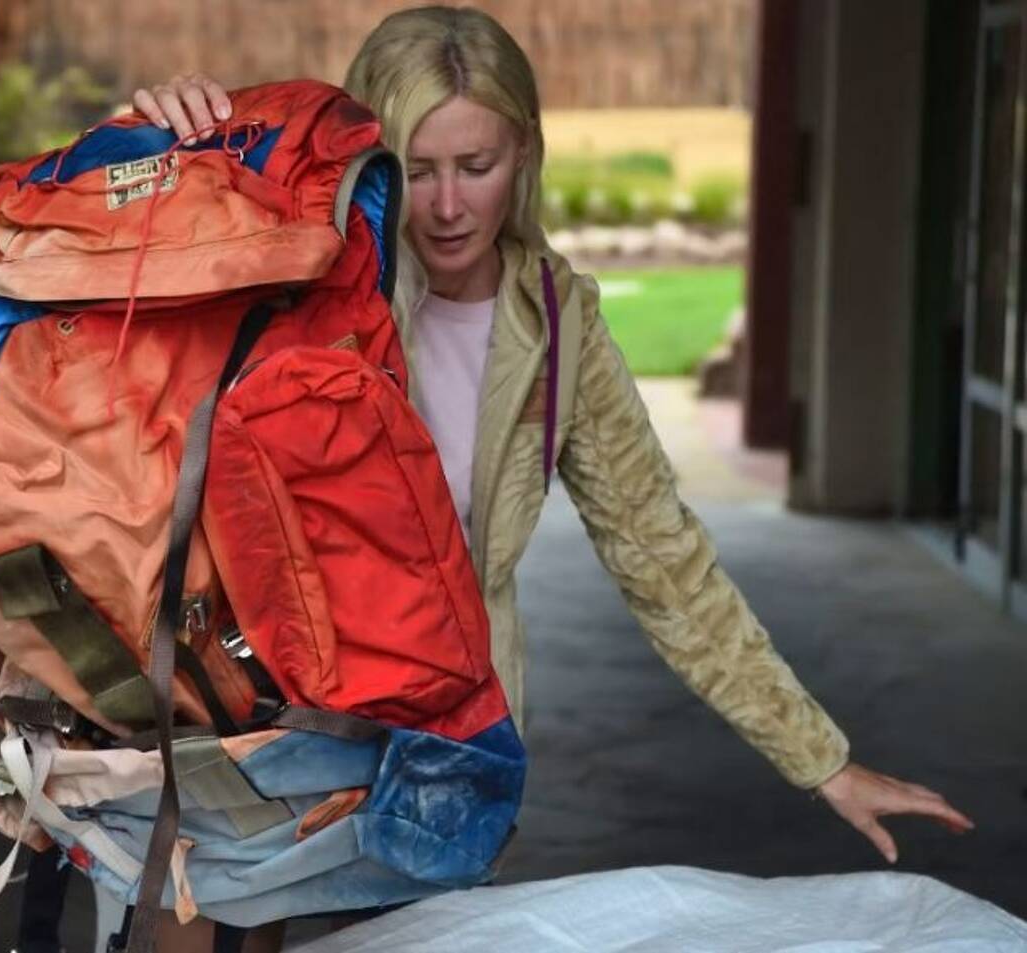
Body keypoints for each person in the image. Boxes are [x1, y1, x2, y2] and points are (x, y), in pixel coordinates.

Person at [131, 4, 973, 948]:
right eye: (416, 170)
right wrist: (161, 151)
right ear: (366, 157)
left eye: (476, 167)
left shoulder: (558, 326)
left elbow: (664, 560)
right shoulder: (288, 277)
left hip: (435, 754)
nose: (447, 206)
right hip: (254, 717)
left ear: (524, 155)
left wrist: (824, 761)